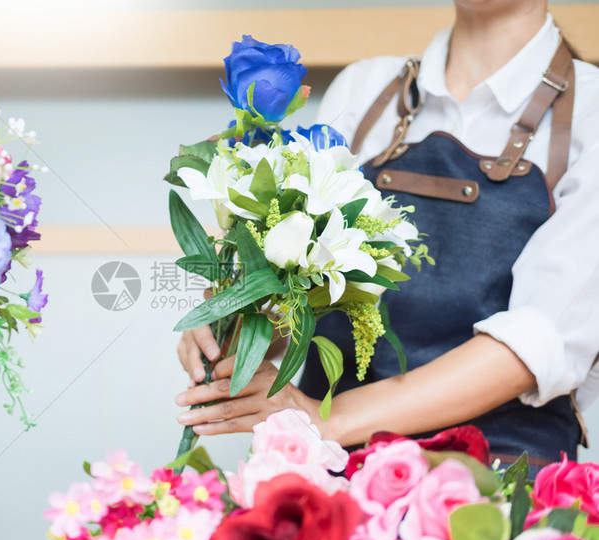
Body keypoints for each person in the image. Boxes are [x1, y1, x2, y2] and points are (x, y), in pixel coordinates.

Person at [174, 0, 599, 467]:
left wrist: (323, 419)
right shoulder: (365, 89)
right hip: (331, 467)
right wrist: (239, 321)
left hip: (493, 478)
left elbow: (540, 342)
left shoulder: (590, 113)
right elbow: (308, 285)